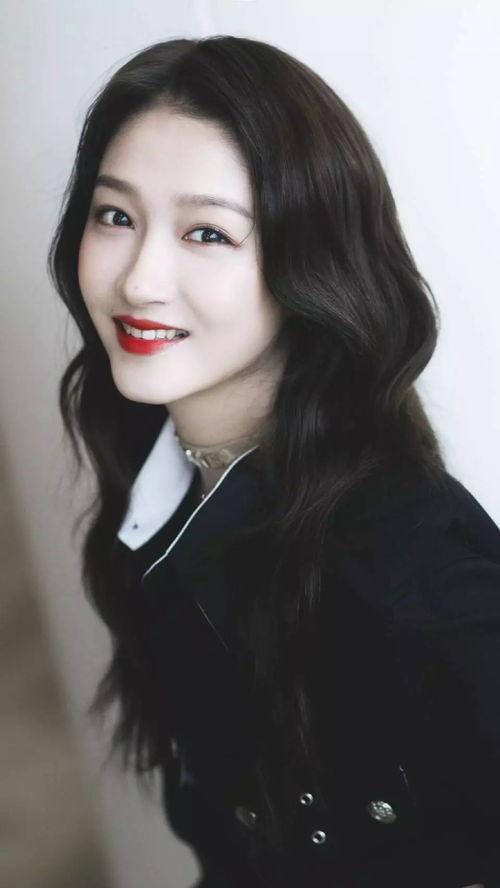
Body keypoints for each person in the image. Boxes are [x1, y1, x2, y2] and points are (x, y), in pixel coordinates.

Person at [47, 34, 499, 888]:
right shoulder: (152, 496)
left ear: (312, 263)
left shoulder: (413, 573)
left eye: (207, 232)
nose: (139, 279)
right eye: (116, 216)